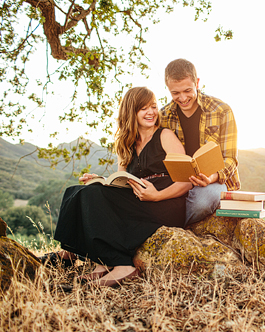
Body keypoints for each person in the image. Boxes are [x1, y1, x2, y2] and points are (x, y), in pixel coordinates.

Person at [51, 87, 193, 287]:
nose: (151, 112)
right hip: (137, 199)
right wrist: (100, 180)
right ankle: (91, 258)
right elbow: (121, 180)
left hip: (166, 202)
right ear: (130, 111)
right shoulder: (125, 144)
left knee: (93, 195)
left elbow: (187, 180)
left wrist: (157, 196)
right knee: (78, 191)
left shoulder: (165, 136)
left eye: (153, 106)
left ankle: (122, 264)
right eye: (143, 108)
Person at [159, 59, 240, 226]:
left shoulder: (221, 110)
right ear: (168, 88)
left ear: (197, 82)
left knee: (205, 200)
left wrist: (212, 177)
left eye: (187, 90)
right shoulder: (164, 116)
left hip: (214, 182)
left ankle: (177, 228)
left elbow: (231, 159)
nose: (182, 98)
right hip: (179, 183)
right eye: (175, 93)